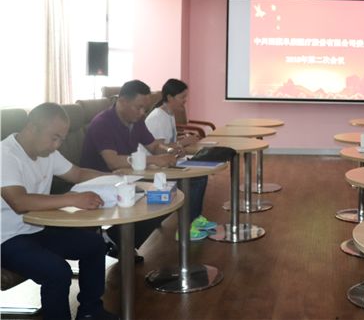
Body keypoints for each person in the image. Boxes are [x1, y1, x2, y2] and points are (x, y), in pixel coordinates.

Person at [1, 103, 118, 320]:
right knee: (57, 272)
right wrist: (72, 198)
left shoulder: (47, 152)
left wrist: (117, 177)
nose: (56, 145)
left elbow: (77, 174)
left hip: (36, 230)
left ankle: (90, 311)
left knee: (94, 245)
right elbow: (19, 201)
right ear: (32, 128)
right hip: (6, 239)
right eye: (54, 138)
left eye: (61, 140)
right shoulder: (5, 155)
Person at [81, 79, 178, 259]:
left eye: (145, 109)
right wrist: (154, 159)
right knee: (158, 198)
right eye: (138, 107)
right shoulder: (103, 123)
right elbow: (113, 162)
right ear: (122, 101)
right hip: (99, 182)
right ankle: (118, 240)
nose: (142, 113)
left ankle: (119, 240)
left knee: (170, 196)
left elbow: (153, 146)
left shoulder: (136, 121)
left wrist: (169, 151)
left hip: (125, 179)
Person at [142, 78, 216, 240]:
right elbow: (158, 149)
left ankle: (194, 219)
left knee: (201, 174)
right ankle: (185, 227)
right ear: (169, 97)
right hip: (153, 166)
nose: (185, 101)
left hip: (166, 161)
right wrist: (183, 143)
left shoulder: (168, 114)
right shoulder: (157, 117)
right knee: (196, 179)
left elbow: (169, 145)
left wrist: (180, 147)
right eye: (182, 97)